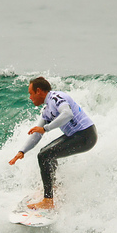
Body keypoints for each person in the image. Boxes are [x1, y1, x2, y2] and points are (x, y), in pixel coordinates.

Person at [9, 77, 97, 209]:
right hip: (76, 135)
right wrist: (22, 151)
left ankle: (48, 201)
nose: (30, 97)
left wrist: (46, 128)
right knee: (45, 153)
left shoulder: (57, 97)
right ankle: (54, 187)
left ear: (39, 91)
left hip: (85, 135)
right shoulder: (47, 110)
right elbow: (37, 133)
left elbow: (67, 114)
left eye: (31, 93)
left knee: (44, 155)